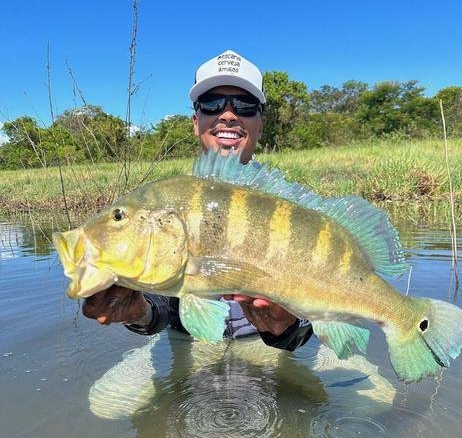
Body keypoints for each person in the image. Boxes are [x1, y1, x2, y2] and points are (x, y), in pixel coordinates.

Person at [83, 50, 313, 353]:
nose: (228, 114)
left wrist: (287, 327)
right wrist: (139, 312)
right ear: (196, 121)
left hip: (267, 350)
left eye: (245, 105)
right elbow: (160, 308)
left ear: (260, 122)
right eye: (212, 104)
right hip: (188, 346)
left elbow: (312, 317)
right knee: (108, 403)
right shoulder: (164, 206)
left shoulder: (290, 209)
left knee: (371, 398)